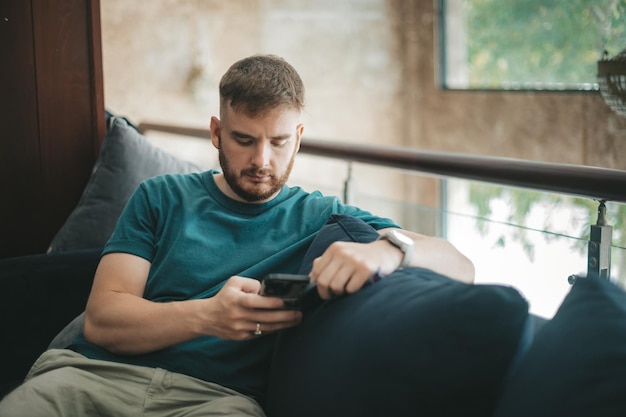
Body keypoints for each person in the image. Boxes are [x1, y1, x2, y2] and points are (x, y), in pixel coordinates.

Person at [0, 54, 474, 416]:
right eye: (244, 139)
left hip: (216, 403)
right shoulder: (160, 197)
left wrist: (389, 249)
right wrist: (209, 317)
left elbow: (461, 265)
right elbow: (103, 320)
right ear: (216, 132)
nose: (261, 160)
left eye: (279, 141)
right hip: (89, 377)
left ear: (299, 138)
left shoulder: (320, 214)